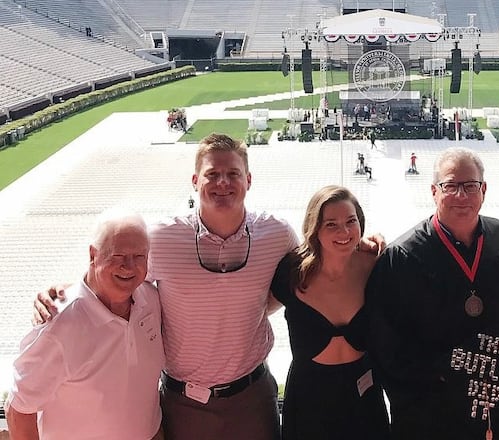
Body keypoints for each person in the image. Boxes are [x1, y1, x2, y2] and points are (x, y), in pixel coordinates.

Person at [35, 133, 301, 440]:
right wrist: (63, 292)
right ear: (194, 180)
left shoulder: (276, 233)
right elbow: (118, 269)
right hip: (184, 403)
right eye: (212, 174)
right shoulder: (162, 237)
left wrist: (364, 248)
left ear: (249, 180)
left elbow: (311, 270)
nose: (223, 183)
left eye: (233, 174)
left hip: (251, 398)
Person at [366, 147, 499, 440]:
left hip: (492, 401)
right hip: (430, 410)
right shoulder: (402, 257)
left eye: (470, 186)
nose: (461, 195)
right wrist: (444, 373)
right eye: (450, 185)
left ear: (484, 190)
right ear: (433, 191)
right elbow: (384, 344)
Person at [7, 209, 165, 440]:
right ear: (93, 255)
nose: (129, 266)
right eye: (118, 255)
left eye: (139, 256)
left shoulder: (150, 299)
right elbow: (19, 409)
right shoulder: (59, 325)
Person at [270, 186, 390, 439]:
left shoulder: (375, 265)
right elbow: (256, 308)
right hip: (309, 398)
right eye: (331, 224)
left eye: (350, 221)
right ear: (315, 228)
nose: (344, 232)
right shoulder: (292, 272)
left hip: (363, 394)